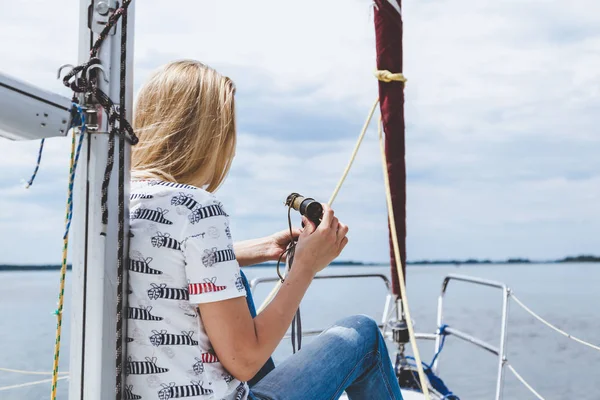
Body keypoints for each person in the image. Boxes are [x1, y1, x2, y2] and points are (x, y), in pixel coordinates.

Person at [127, 60, 403, 400]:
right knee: (365, 335)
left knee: (237, 280)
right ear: (213, 136)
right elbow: (244, 361)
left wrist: (250, 251)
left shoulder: (113, 200)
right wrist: (305, 267)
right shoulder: (196, 207)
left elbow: (156, 261)